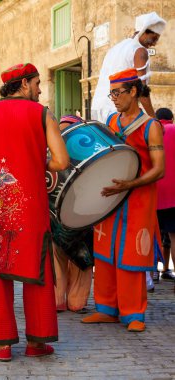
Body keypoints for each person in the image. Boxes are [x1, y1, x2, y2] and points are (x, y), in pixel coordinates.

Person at [0, 63, 69, 361]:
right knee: (37, 272)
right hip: (30, 205)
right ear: (24, 84)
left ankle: (1, 344)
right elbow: (61, 161)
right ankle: (37, 343)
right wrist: (36, 163)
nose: (40, 89)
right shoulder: (41, 114)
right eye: (37, 83)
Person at [82, 68, 164, 332]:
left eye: (118, 93)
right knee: (105, 253)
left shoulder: (151, 126)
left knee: (131, 255)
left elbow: (159, 168)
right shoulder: (111, 121)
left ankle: (133, 314)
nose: (114, 98)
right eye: (112, 93)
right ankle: (106, 309)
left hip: (139, 197)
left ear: (134, 92)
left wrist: (131, 184)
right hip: (110, 198)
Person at [91, 12, 166, 123]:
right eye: (153, 38)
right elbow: (142, 92)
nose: (154, 44)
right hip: (118, 113)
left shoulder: (115, 48)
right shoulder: (140, 51)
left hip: (98, 110)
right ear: (143, 32)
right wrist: (154, 119)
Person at [53, 115, 93, 313]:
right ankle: (61, 299)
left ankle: (71, 300)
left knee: (78, 255)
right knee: (61, 253)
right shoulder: (53, 154)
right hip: (61, 212)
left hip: (80, 212)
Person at [155, 107, 175, 281]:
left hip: (152, 191)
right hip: (173, 195)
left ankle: (151, 274)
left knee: (151, 234)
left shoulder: (152, 132)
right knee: (173, 236)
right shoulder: (174, 130)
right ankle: (169, 270)